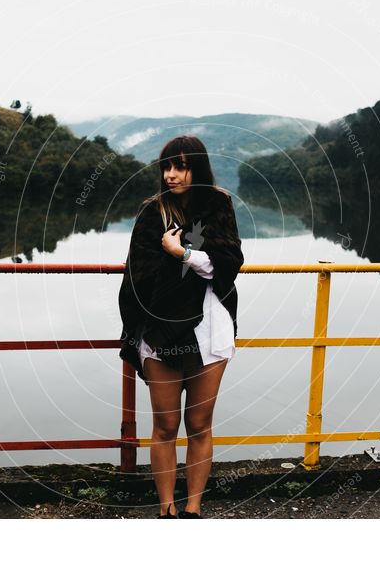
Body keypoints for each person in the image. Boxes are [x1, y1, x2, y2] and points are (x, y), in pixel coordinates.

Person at [118, 135, 244, 519]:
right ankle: (166, 509)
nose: (171, 175)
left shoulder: (217, 205)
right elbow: (139, 272)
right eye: (167, 167)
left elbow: (229, 261)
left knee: (200, 424)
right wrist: (175, 264)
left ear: (198, 168)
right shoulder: (152, 212)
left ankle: (192, 509)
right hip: (161, 330)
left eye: (181, 166)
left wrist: (183, 253)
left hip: (210, 329)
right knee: (165, 426)